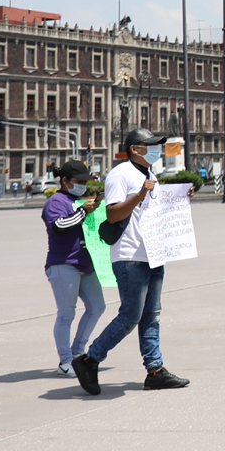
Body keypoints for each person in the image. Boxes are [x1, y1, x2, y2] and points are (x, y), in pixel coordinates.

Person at [73, 128, 190, 395]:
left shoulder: (151, 175)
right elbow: (113, 214)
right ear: (135, 148)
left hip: (153, 254)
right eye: (150, 145)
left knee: (152, 316)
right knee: (130, 316)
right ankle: (90, 360)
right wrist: (138, 195)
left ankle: (155, 370)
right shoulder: (120, 174)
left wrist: (181, 200)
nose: (156, 150)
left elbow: (153, 212)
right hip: (130, 255)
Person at [41, 160, 106, 376]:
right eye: (79, 182)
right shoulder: (55, 202)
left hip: (85, 263)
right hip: (63, 264)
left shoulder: (80, 200)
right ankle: (65, 362)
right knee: (66, 314)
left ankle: (78, 352)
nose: (83, 185)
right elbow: (59, 225)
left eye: (85, 182)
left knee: (97, 307)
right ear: (65, 181)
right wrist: (83, 213)